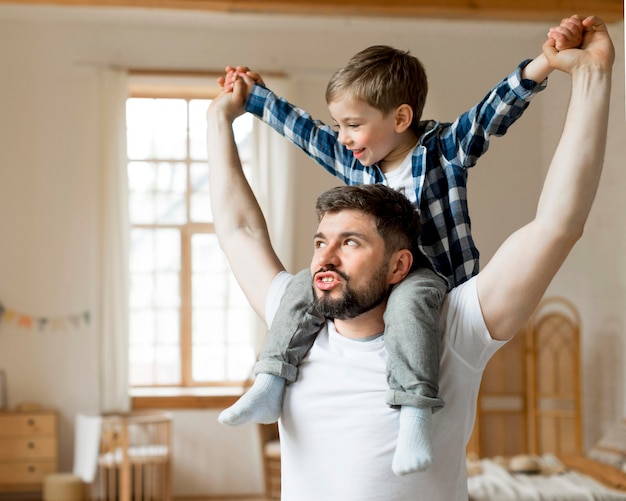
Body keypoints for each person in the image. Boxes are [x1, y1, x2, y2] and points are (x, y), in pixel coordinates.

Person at [207, 15, 614, 500]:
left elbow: (556, 224)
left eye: (350, 242)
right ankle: (269, 381)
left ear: (398, 263)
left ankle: (415, 410)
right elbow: (240, 226)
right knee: (298, 283)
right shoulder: (296, 316)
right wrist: (225, 115)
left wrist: (582, 74)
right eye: (320, 242)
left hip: (434, 285)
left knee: (415, 302)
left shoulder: (455, 327)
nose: (326, 258)